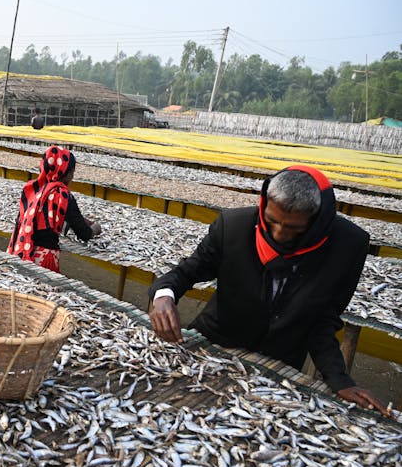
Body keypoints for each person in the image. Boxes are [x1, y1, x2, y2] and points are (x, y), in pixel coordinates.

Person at [148, 165, 390, 416]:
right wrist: (164, 296)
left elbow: (324, 318)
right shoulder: (234, 226)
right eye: (271, 221)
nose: (279, 234)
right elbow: (187, 272)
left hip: (278, 362)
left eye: (294, 228)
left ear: (318, 220)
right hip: (215, 342)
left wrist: (340, 379)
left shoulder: (347, 246)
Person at [7, 145, 101, 272]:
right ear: (63, 171)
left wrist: (83, 220)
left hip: (22, 251)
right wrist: (96, 228)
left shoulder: (33, 190)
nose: (73, 176)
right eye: (72, 171)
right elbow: (84, 234)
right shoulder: (62, 194)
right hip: (44, 259)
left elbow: (50, 215)